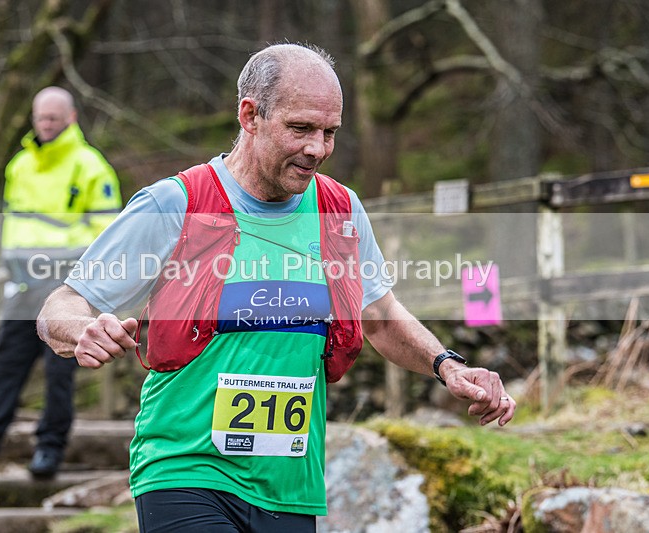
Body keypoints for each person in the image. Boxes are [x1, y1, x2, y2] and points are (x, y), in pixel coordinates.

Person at [37, 44, 515, 531]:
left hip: (290, 488)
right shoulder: (176, 203)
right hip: (184, 471)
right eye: (301, 128)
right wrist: (81, 330)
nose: (318, 149)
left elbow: (380, 315)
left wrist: (447, 365)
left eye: (330, 133)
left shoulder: (340, 212)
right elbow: (62, 304)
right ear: (250, 115)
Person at [0, 86, 122, 478]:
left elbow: (107, 234)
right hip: (23, 288)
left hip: (66, 289)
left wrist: (83, 288)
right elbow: (13, 226)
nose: (46, 125)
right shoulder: (20, 165)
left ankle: (50, 450)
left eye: (53, 119)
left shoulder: (90, 166)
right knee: (2, 369)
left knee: (59, 372)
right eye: (40, 118)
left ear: (71, 118)